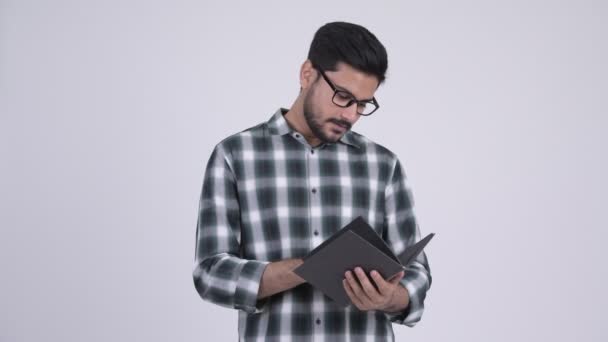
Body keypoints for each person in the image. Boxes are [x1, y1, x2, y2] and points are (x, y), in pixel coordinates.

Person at [192, 21, 432, 341]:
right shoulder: (235, 155)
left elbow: (416, 275)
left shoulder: (383, 165)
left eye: (363, 104)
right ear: (308, 74)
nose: (350, 115)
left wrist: (391, 297)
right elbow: (210, 273)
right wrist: (308, 268)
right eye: (343, 96)